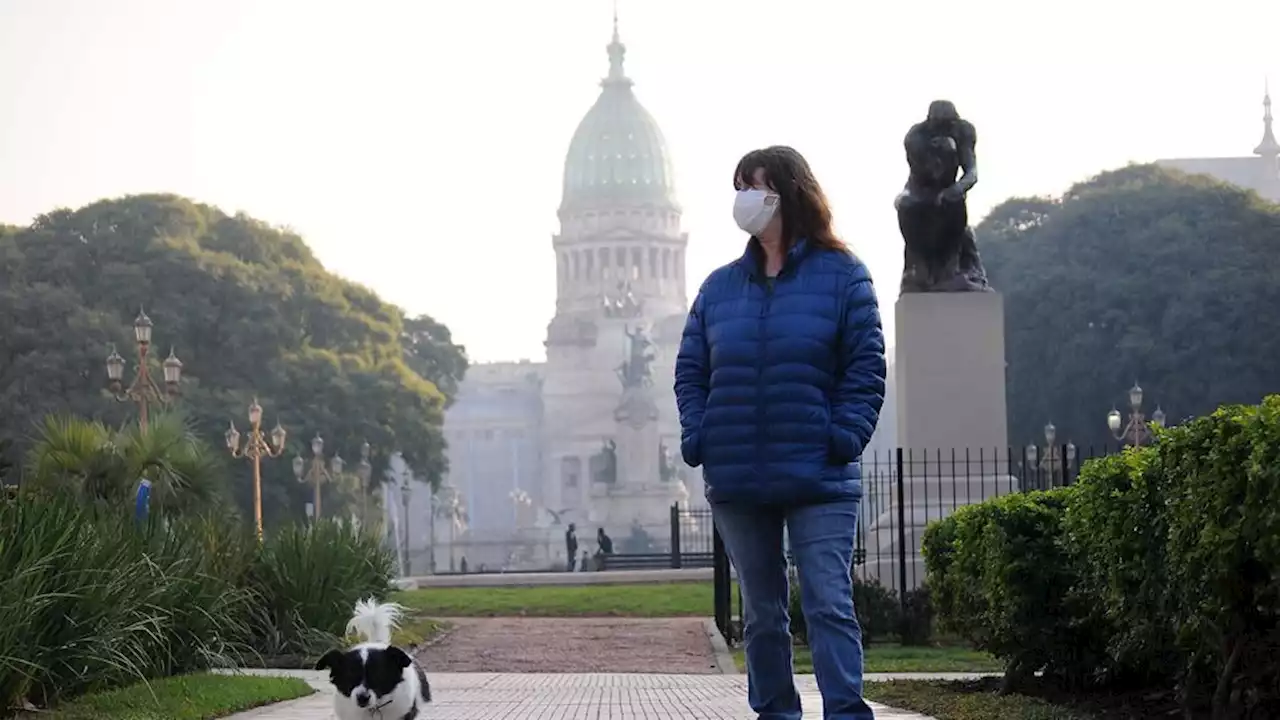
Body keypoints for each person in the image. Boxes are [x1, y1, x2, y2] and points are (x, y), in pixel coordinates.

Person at [675, 146, 886, 719]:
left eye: (755, 186)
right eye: (738, 186)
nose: (743, 199)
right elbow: (691, 370)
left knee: (828, 601)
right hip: (739, 474)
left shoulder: (844, 275)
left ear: (788, 193)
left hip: (819, 471)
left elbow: (866, 368)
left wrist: (843, 437)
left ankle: (844, 712)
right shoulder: (719, 289)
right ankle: (775, 713)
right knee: (763, 614)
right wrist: (700, 435)